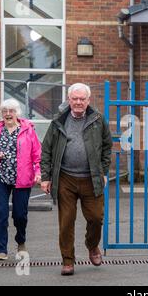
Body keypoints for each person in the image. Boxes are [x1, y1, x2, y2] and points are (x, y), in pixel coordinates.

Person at [40, 83, 112, 276]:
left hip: (91, 179)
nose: (78, 102)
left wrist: (103, 172)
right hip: (66, 178)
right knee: (66, 222)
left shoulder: (98, 120)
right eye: (75, 98)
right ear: (69, 100)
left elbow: (107, 147)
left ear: (88, 101)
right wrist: (46, 177)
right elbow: (46, 149)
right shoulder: (58, 122)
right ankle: (68, 261)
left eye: (82, 99)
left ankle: (92, 245)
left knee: (96, 218)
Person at [0, 98, 41, 261]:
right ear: (1, 114)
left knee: (19, 215)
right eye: (5, 111)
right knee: (0, 214)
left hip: (22, 178)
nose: (8, 114)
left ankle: (21, 240)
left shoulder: (28, 130)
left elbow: (37, 154)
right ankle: (1, 249)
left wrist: (38, 172)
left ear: (17, 113)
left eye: (11, 111)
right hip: (0, 178)